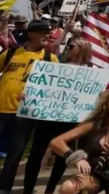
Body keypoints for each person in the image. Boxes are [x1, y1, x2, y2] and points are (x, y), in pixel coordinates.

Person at [21, 37, 94, 194]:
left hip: (71, 120)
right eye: (67, 45)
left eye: (71, 46)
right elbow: (42, 88)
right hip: (48, 117)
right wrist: (30, 94)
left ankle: (50, 189)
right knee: (36, 154)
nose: (67, 48)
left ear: (81, 49)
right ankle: (27, 189)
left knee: (63, 156)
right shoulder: (56, 67)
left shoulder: (90, 71)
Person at [0, 20, 59, 193]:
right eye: (42, 32)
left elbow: (53, 88)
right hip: (1, 109)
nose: (47, 35)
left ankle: (4, 188)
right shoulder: (11, 53)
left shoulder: (50, 59)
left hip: (24, 114)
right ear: (31, 34)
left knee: (15, 154)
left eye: (48, 32)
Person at [49, 89, 109, 194]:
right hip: (95, 175)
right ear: (106, 104)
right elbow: (56, 142)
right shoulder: (94, 124)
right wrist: (77, 158)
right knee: (67, 187)